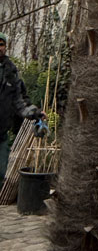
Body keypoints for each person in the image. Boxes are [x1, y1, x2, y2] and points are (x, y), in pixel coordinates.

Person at [0, 32, 42, 184]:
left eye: (1, 44)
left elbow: (19, 102)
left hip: (1, 133)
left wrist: (34, 114)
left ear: (5, 47)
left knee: (1, 172)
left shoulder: (11, 72)